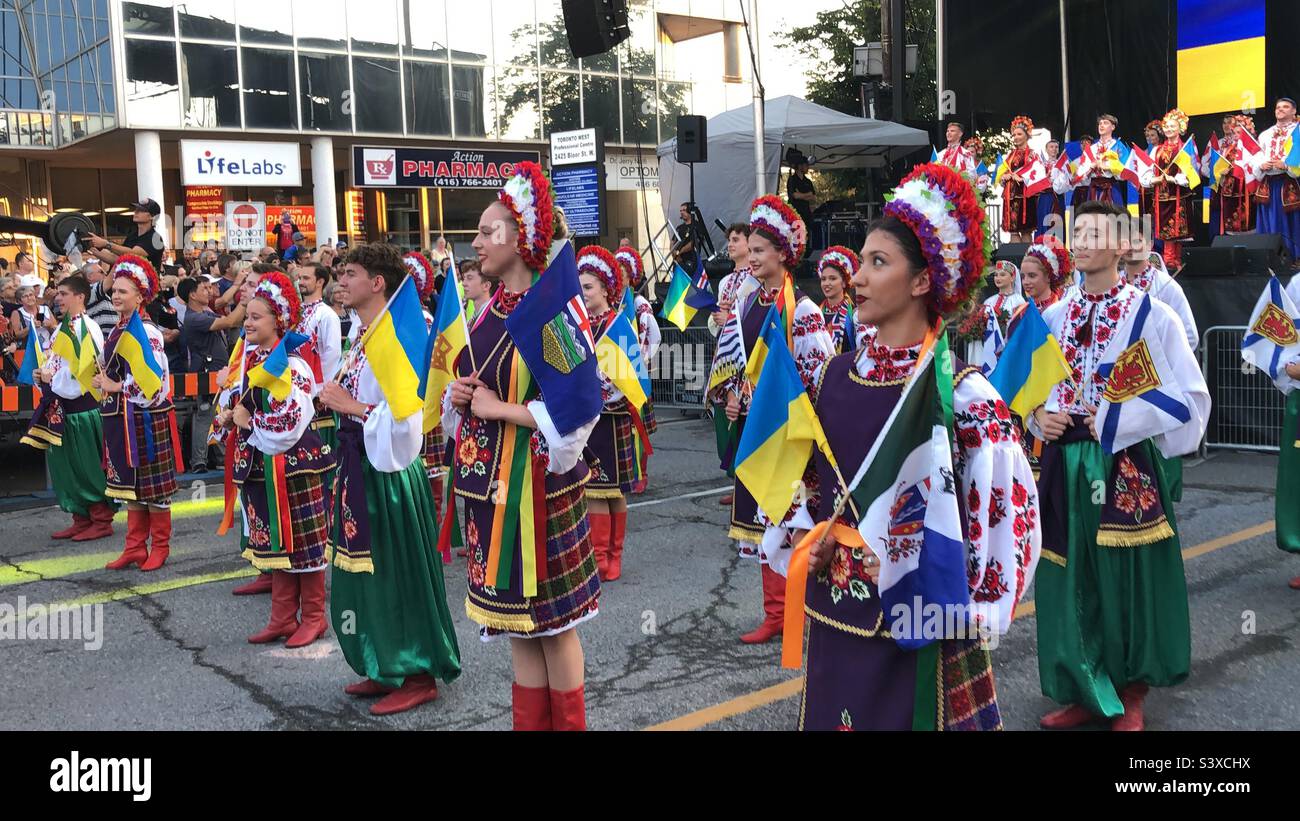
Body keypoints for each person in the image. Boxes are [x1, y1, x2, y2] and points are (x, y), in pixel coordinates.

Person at [792, 161, 1040, 730]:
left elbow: (1003, 521)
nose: (857, 277)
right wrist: (810, 539)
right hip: (838, 618)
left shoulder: (963, 397)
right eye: (861, 262)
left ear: (923, 280)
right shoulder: (833, 376)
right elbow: (810, 487)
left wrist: (960, 609)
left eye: (878, 263)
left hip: (925, 631)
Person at [1030, 198, 1209, 731]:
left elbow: (1187, 397)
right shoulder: (1054, 315)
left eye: (1093, 233)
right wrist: (1042, 415)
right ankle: (1084, 685)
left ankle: (1130, 690)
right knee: (1069, 575)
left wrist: (1115, 420)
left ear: (1120, 242)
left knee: (1128, 578)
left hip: (1124, 464)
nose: (1081, 241)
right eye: (1075, 232)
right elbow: (1019, 387)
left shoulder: (1152, 314)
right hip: (1065, 464)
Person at [444, 162, 600, 730]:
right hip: (492, 488)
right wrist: (462, 395)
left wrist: (501, 408)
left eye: (489, 232)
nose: (478, 242)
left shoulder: (553, 313)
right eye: (480, 233)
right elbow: (484, 383)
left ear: (521, 238)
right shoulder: (490, 309)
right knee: (517, 626)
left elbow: (580, 407)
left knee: (554, 627)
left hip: (535, 492)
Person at [320, 242, 461, 716]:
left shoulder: (397, 334)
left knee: (398, 575)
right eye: (340, 274)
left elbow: (409, 422)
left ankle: (418, 670)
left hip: (389, 475)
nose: (340, 282)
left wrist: (350, 407)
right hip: (359, 466)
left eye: (350, 273)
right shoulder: (363, 332)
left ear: (377, 283)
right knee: (365, 578)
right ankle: (384, 665)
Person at [723, 194, 834, 643]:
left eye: (760, 251)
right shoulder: (749, 302)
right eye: (749, 251)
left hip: (790, 434)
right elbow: (742, 364)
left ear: (783, 255)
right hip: (757, 426)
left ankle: (802, 615)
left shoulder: (802, 310)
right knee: (764, 522)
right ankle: (775, 615)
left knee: (791, 523)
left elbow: (819, 372)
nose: (751, 258)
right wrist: (735, 397)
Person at [215, 271, 336, 648]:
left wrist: (247, 422)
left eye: (255, 317)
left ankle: (314, 618)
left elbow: (290, 422)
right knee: (279, 545)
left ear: (278, 321)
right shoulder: (261, 359)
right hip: (267, 465)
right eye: (246, 316)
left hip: (294, 467)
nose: (247, 323)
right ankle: (282, 617)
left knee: (303, 543)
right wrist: (231, 417)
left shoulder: (292, 365)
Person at [97, 255, 181, 572]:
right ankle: (134, 547)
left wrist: (116, 387)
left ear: (140, 295)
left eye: (123, 291)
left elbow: (155, 383)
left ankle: (160, 547)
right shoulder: (119, 327)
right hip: (122, 417)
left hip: (145, 418)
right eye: (114, 291)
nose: (116, 296)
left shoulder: (148, 332)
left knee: (154, 489)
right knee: (132, 487)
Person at [23, 275, 117, 542]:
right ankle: (81, 516)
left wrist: (51, 378)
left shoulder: (86, 327)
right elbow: (57, 363)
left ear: (80, 297)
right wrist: (44, 373)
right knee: (67, 468)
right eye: (58, 294)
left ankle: (100, 518)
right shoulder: (65, 326)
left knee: (85, 466)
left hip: (80, 410)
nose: (58, 298)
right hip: (63, 407)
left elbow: (86, 372)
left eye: (64, 293)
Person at [579, 245, 637, 581]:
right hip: (588, 419)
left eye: (588, 287)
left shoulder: (618, 324)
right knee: (597, 490)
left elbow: (628, 373)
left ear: (605, 288)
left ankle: (610, 557)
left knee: (608, 491)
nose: (583, 293)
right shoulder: (581, 324)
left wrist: (596, 394)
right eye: (580, 287)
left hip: (611, 418)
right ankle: (602, 555)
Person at [179, 276, 243, 471]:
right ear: (192, 295)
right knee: (205, 414)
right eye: (204, 288)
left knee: (217, 413)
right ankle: (199, 461)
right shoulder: (194, 318)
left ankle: (218, 458)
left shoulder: (204, 314)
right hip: (205, 374)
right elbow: (231, 321)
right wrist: (246, 298)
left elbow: (229, 317)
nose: (209, 291)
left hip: (215, 372)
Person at [400, 251, 446, 514]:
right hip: (405, 404)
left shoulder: (425, 320)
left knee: (428, 479)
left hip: (422, 404)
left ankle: (431, 533)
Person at [1142, 109, 1196, 272]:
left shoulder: (1186, 148)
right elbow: (1147, 172)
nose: (1169, 129)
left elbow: (1193, 172)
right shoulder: (1156, 150)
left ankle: (1176, 261)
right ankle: (1168, 263)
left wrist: (1177, 178)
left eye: (1172, 126)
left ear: (1180, 128)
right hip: (1162, 196)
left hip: (1180, 195)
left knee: (1179, 231)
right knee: (1166, 232)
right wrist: (1154, 180)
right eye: (1166, 126)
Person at [1254, 97, 1300, 262]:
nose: (1280, 109)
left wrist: (1287, 166)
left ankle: (1295, 257)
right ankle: (1273, 258)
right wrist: (1261, 165)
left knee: (1293, 221)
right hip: (1269, 183)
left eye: (1285, 107)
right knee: (1271, 220)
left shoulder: (1298, 131)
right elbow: (1257, 155)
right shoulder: (1266, 134)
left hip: (1292, 182)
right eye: (1278, 107)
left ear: (1294, 111)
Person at [87, 199, 165, 270]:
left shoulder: (155, 238)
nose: (136, 212)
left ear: (152, 216)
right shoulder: (132, 236)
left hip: (147, 284)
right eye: (136, 209)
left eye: (142, 210)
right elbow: (118, 259)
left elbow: (134, 254)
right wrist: (92, 250)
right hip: (130, 282)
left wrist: (106, 244)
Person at [1212, 114, 1256, 237]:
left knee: (1247, 222)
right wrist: (1222, 172)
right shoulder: (1228, 148)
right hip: (1230, 189)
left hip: (1244, 189)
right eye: (1235, 132)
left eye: (1240, 132)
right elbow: (1221, 165)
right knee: (1231, 223)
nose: (1237, 135)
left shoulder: (1251, 147)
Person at [1001, 115, 1039, 243]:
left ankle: (1028, 260)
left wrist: (1022, 178)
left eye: (1019, 134)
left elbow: (1038, 174)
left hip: (1025, 196)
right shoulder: (1010, 155)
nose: (1016, 137)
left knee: (1026, 230)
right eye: (1014, 135)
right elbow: (1004, 170)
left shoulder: (1033, 154)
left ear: (1027, 135)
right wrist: (1004, 176)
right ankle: (1015, 261)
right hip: (1010, 195)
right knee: (1013, 231)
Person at [816, 246, 860, 354]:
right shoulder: (816, 313)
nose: (826, 283)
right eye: (823, 279)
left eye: (832, 278)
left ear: (844, 282)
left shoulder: (855, 315)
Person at [1080, 114, 1127, 206]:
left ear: (1113, 127)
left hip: (1111, 189)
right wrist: (1091, 167)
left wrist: (1108, 167)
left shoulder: (1118, 146)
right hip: (1093, 190)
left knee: (1114, 218)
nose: (1101, 125)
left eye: (1105, 123)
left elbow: (1125, 172)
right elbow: (1082, 175)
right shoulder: (1091, 149)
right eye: (1100, 123)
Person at [1036, 139, 1070, 236]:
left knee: (1058, 223)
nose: (1054, 149)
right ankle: (1041, 248)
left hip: (1057, 197)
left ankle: (1058, 249)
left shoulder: (1063, 165)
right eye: (1051, 147)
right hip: (1044, 197)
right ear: (1046, 149)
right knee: (1043, 222)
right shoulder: (1040, 165)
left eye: (1056, 147)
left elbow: (1067, 182)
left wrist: (1055, 182)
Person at [9, 284, 55, 350]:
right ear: (19, 301)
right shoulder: (17, 313)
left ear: (35, 297)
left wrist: (49, 325)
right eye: (25, 296)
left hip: (48, 348)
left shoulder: (45, 309)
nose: (29, 298)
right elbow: (15, 335)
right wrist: (31, 327)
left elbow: (56, 329)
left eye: (31, 295)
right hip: (29, 351)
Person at [786, 154, 817, 229]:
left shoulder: (808, 181)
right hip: (795, 214)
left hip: (806, 214)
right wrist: (807, 195)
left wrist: (801, 195)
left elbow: (813, 197)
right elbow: (795, 195)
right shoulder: (792, 180)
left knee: (807, 236)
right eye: (806, 165)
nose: (808, 168)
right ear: (800, 166)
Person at [460, 258, 494, 323]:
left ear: (486, 286)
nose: (463, 283)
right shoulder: (473, 317)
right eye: (464, 278)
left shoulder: (492, 318)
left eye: (469, 278)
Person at [672, 202, 699, 274]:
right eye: (680, 211)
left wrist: (679, 253)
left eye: (684, 210)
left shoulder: (696, 226)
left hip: (690, 261)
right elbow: (672, 242)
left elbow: (692, 244)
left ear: (689, 211)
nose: (682, 212)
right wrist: (674, 254)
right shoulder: (679, 228)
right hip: (678, 261)